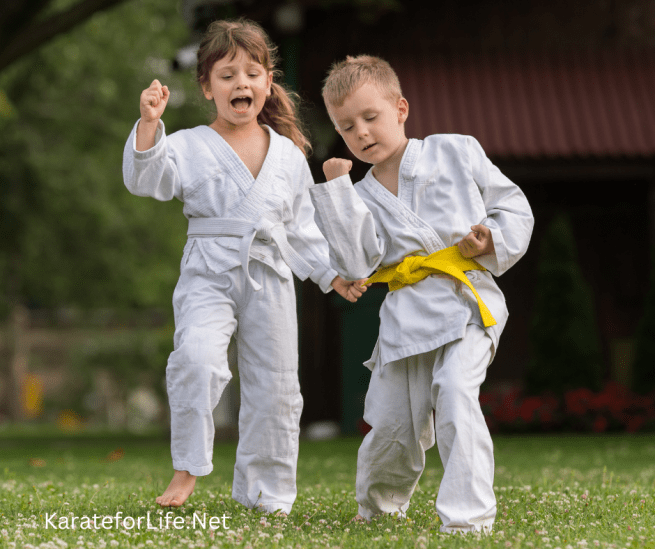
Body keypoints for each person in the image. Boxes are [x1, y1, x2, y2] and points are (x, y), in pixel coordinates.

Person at [122, 19, 364, 513]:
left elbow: (300, 229)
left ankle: (265, 493)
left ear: (268, 83)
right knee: (195, 358)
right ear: (207, 87)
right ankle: (187, 468)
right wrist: (149, 123)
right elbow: (147, 179)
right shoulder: (188, 144)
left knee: (275, 386)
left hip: (270, 273)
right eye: (227, 75)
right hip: (208, 271)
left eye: (253, 73)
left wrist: (331, 274)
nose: (242, 84)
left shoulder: (289, 155)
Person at [308, 55, 533, 533]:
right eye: (347, 127)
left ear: (401, 109)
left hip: (468, 301)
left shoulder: (456, 151)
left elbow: (513, 205)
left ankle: (467, 519)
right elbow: (356, 263)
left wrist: (490, 239)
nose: (362, 133)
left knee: (454, 392)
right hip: (406, 318)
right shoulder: (360, 194)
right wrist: (337, 191)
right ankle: (378, 509)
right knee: (391, 422)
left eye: (371, 118)